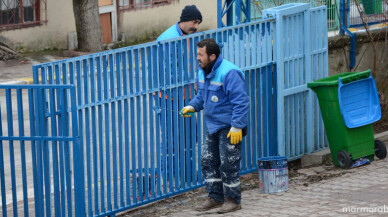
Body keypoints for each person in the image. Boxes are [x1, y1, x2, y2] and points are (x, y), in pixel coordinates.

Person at [180, 38, 249, 214]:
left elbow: (241, 102)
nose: (197, 58)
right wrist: (192, 106)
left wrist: (237, 126)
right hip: (212, 125)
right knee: (208, 161)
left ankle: (233, 200)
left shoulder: (229, 73)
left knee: (228, 163)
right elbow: (202, 96)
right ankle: (214, 197)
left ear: (212, 56)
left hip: (229, 127)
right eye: (197, 54)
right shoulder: (203, 71)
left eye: (200, 55)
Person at [155, 5, 202, 178]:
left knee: (189, 135)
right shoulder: (169, 39)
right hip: (169, 99)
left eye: (198, 23)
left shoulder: (188, 35)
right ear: (184, 20)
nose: (196, 26)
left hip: (186, 97)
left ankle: (187, 173)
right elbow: (169, 73)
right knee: (171, 139)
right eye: (194, 22)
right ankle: (169, 176)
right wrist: (195, 77)